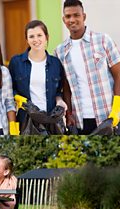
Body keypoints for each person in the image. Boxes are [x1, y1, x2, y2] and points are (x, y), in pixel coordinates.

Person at [55, 0, 120, 134]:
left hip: (109, 116)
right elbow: (66, 85)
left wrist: (117, 107)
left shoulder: (103, 40)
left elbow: (118, 74)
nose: (72, 20)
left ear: (84, 16)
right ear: (63, 19)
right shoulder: (60, 51)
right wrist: (69, 114)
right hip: (80, 119)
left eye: (76, 15)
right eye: (68, 16)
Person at [9, 20, 68, 132]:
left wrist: (60, 101)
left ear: (46, 37)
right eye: (31, 36)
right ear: (27, 39)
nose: (36, 40)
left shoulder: (56, 63)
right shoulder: (16, 62)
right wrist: (19, 98)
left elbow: (58, 91)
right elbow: (10, 90)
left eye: (39, 35)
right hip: (27, 121)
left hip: (51, 120)